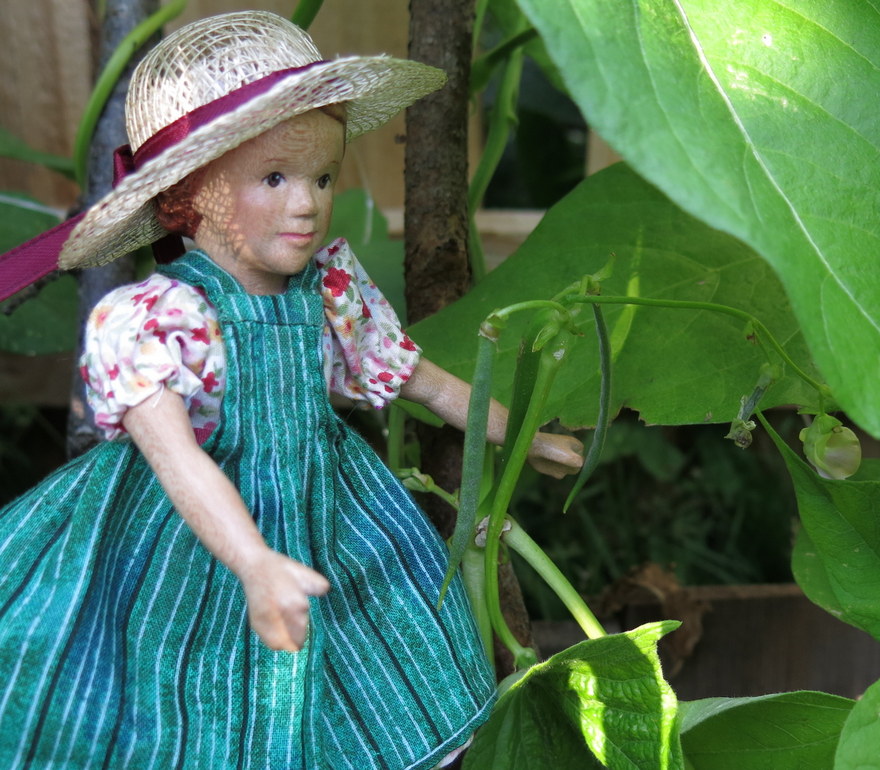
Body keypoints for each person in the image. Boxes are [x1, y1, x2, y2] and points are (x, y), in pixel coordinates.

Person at [0, 11, 582, 769]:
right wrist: (252, 561)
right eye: (273, 178)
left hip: (326, 509)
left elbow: (425, 383)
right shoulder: (161, 318)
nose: (305, 203)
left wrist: (524, 436)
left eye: (322, 177)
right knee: (185, 700)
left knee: (374, 674)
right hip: (190, 537)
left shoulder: (331, 290)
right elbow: (175, 458)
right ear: (190, 192)